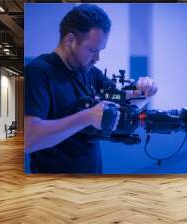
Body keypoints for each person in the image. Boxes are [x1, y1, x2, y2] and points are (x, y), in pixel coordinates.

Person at [24, 4, 158, 173]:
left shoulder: (90, 72)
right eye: (92, 50)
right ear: (70, 40)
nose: (97, 58)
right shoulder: (38, 73)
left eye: (100, 50)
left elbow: (124, 102)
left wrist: (144, 91)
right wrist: (86, 117)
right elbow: (29, 139)